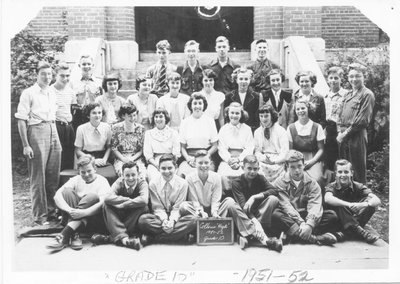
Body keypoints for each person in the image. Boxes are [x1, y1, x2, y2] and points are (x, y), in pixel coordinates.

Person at [15, 62, 62, 226]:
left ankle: (51, 212)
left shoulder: (52, 92)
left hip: (52, 128)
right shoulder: (29, 93)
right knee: (38, 176)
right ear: (37, 74)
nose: (47, 77)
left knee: (52, 175)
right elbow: (21, 120)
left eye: (50, 74)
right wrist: (26, 145)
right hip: (36, 130)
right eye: (44, 74)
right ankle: (40, 216)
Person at [272, 150, 338, 246]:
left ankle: (292, 235)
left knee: (332, 216)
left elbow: (315, 205)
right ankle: (314, 238)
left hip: (307, 216)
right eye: (292, 167)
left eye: (299, 166)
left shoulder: (312, 183)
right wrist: (301, 223)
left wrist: (309, 224)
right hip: (291, 218)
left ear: (304, 165)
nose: (297, 170)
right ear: (287, 167)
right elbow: (286, 206)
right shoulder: (280, 182)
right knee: (275, 215)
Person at [46, 155, 111, 251]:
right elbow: (57, 196)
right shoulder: (76, 179)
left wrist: (84, 213)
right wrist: (70, 210)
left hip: (92, 219)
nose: (86, 174)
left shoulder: (102, 181)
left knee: (92, 197)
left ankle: (64, 235)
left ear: (95, 169)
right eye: (83, 172)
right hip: (77, 218)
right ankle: (75, 234)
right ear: (79, 171)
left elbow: (102, 204)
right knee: (67, 191)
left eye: (89, 171)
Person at [138, 154, 197, 243]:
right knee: (143, 220)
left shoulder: (183, 183)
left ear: (176, 167)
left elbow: (177, 207)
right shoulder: (153, 183)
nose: (166, 171)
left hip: (177, 217)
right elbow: (157, 207)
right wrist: (165, 221)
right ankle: (179, 237)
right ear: (158, 168)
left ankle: (155, 238)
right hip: (160, 218)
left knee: (193, 220)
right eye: (163, 168)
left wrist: (172, 221)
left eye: (170, 168)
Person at [230, 155, 282, 251]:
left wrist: (254, 197)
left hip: (259, 213)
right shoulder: (236, 182)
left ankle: (251, 234)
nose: (252, 172)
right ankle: (265, 239)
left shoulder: (260, 178)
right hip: (246, 215)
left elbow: (274, 190)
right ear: (243, 168)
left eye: (255, 169)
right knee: (233, 206)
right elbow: (243, 207)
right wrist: (256, 222)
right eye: (249, 168)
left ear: (258, 169)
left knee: (273, 199)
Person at [324, 159, 380, 244]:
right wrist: (349, 204)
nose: (343, 175)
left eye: (346, 172)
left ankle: (346, 233)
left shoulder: (358, 186)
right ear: (336, 173)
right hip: (339, 221)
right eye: (340, 172)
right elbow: (327, 198)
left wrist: (363, 205)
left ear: (351, 173)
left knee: (370, 204)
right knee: (338, 203)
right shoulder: (332, 186)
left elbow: (377, 200)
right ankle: (361, 232)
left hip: (354, 217)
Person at [336, 63, 375, 184]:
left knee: (357, 169)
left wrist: (345, 134)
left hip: (356, 136)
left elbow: (362, 120)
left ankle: (360, 198)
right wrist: (339, 132)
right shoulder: (347, 94)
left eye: (357, 76)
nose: (354, 79)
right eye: (351, 76)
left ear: (364, 77)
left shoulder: (367, 94)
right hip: (343, 136)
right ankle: (345, 197)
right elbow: (339, 114)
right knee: (343, 169)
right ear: (347, 78)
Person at [101, 162, 150, 250]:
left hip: (133, 217)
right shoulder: (119, 182)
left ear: (138, 174)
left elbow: (144, 200)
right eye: (127, 175)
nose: (130, 178)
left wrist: (124, 205)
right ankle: (124, 238)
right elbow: (107, 197)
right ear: (122, 175)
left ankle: (115, 236)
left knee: (144, 207)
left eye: (133, 175)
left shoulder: (142, 183)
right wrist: (125, 199)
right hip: (121, 215)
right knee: (106, 205)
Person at [178, 93, 218, 178]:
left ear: (204, 105)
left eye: (200, 103)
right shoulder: (185, 122)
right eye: (195, 103)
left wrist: (205, 156)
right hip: (190, 157)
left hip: (206, 157)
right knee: (181, 174)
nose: (197, 106)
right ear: (190, 106)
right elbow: (182, 147)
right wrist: (188, 159)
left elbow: (215, 146)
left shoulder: (210, 121)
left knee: (205, 174)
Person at [74, 103, 116, 181]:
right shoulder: (81, 129)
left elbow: (109, 147)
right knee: (88, 176)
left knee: (111, 176)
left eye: (99, 113)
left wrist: (104, 159)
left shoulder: (107, 127)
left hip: (103, 158)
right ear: (88, 115)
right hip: (86, 158)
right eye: (94, 113)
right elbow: (77, 151)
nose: (97, 115)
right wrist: (92, 160)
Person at [287, 100, 325, 184]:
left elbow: (321, 149)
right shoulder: (291, 128)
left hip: (313, 158)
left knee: (317, 179)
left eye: (303, 108)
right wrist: (297, 163)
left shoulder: (317, 127)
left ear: (308, 109)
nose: (300, 111)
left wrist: (312, 161)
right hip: (296, 160)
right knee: (291, 179)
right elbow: (290, 150)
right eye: (298, 109)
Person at [217, 102, 254, 178]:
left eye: (237, 113)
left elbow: (249, 148)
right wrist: (229, 160)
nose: (234, 116)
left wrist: (239, 159)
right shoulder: (223, 129)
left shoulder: (247, 129)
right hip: (227, 161)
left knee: (245, 175)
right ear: (228, 113)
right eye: (232, 113)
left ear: (241, 114)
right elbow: (221, 148)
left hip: (243, 160)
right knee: (222, 176)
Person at [143, 108, 181, 182]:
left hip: (171, 161)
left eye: (161, 116)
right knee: (154, 177)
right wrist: (157, 165)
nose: (158, 119)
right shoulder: (149, 133)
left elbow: (176, 153)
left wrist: (170, 164)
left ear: (165, 118)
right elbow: (148, 154)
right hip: (155, 162)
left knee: (174, 178)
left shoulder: (173, 133)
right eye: (156, 117)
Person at [51, 62, 76, 170]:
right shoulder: (49, 91)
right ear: (55, 75)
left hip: (69, 127)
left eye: (67, 75)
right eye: (62, 76)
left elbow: (72, 110)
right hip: (56, 126)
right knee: (57, 156)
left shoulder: (71, 92)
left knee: (70, 155)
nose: (65, 78)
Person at [254, 105, 289, 182]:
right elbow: (257, 151)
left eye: (266, 116)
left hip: (278, 161)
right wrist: (263, 158)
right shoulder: (257, 132)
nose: (263, 119)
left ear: (272, 116)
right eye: (261, 116)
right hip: (263, 161)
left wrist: (274, 161)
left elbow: (285, 152)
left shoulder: (281, 131)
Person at [111, 104, 146, 177]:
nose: (133, 118)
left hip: (136, 158)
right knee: (124, 173)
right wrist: (123, 159)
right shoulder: (116, 128)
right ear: (123, 116)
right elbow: (114, 148)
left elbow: (141, 149)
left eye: (134, 115)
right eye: (130, 116)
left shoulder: (141, 128)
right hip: (121, 158)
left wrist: (132, 158)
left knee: (141, 174)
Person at [70, 54, 103, 131]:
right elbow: (71, 102)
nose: (86, 66)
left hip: (95, 115)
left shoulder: (99, 82)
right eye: (84, 64)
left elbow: (102, 99)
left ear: (93, 65)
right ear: (79, 65)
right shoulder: (73, 83)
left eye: (89, 64)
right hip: (79, 115)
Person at [324, 66, 347, 171]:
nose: (333, 81)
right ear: (328, 79)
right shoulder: (325, 96)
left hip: (340, 130)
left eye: (336, 78)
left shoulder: (346, 95)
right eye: (331, 78)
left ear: (341, 79)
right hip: (328, 130)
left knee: (342, 158)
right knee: (330, 158)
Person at [224, 67, 260, 132]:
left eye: (246, 79)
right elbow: (226, 118)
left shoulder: (256, 97)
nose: (243, 81)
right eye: (241, 79)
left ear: (250, 80)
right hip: (233, 131)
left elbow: (257, 118)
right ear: (236, 80)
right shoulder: (229, 96)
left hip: (251, 131)